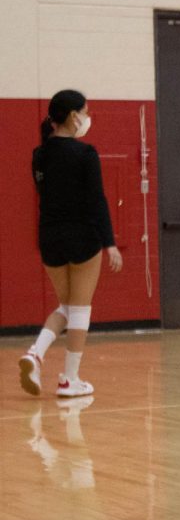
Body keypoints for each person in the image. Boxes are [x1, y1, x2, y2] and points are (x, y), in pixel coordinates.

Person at [19, 90, 123, 398]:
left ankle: (35, 354)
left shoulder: (40, 155)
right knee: (80, 309)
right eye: (86, 111)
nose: (88, 118)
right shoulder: (85, 154)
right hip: (83, 237)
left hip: (50, 238)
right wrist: (110, 243)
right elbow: (97, 201)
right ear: (73, 116)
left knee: (66, 306)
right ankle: (69, 379)